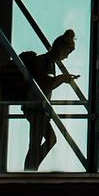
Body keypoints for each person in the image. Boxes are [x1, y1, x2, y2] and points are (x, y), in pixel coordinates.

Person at [22, 29, 79, 171]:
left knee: (49, 140)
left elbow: (47, 83)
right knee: (37, 143)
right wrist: (61, 79)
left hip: (40, 108)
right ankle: (29, 171)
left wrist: (61, 79)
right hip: (35, 108)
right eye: (68, 52)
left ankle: (31, 168)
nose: (67, 56)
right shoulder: (42, 61)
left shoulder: (50, 62)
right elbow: (44, 83)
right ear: (61, 48)